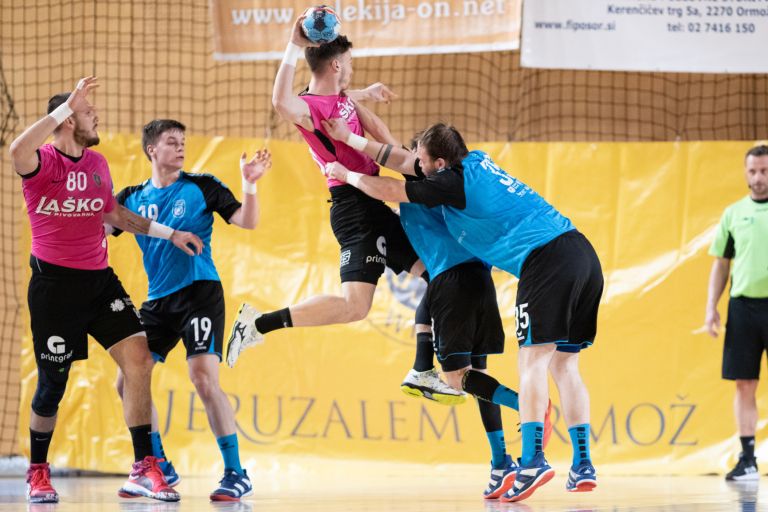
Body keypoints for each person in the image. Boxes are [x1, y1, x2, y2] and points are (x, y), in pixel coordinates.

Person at [322, 120, 602, 501]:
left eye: (421, 160)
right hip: (581, 252)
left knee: (530, 364)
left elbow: (390, 181)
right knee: (564, 366)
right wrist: (349, 130)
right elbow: (396, 155)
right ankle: (581, 463)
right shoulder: (476, 161)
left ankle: (532, 459)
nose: (415, 163)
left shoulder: (446, 185)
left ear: (438, 163)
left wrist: (346, 174)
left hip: (540, 262)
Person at [226, 15, 461, 405]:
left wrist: (366, 92)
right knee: (356, 306)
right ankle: (257, 324)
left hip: (373, 202)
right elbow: (280, 102)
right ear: (336, 65)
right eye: (349, 62)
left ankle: (423, 368)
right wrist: (294, 43)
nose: (351, 68)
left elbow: (349, 103)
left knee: (437, 276)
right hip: (354, 208)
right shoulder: (309, 107)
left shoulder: (341, 99)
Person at [8, 77, 202, 503]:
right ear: (66, 120)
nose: (96, 116)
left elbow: (112, 213)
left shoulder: (97, 163)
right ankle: (38, 471)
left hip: (99, 282)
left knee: (139, 360)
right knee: (52, 385)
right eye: (88, 112)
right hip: (54, 288)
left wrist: (169, 234)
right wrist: (64, 108)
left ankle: (144, 466)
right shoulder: (41, 162)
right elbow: (15, 151)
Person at [110, 119, 269, 500]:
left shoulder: (202, 186)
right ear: (152, 150)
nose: (181, 147)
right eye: (171, 142)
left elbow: (247, 221)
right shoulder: (131, 197)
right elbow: (101, 228)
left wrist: (249, 183)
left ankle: (236, 473)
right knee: (127, 381)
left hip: (199, 292)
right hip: (157, 301)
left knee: (202, 378)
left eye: (183, 141)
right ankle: (158, 464)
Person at [705, 144, 768, 481]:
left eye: (765, 171)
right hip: (743, 307)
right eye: (753, 171)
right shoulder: (733, 214)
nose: (758, 178)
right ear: (746, 172)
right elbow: (721, 264)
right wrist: (711, 307)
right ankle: (748, 460)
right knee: (744, 384)